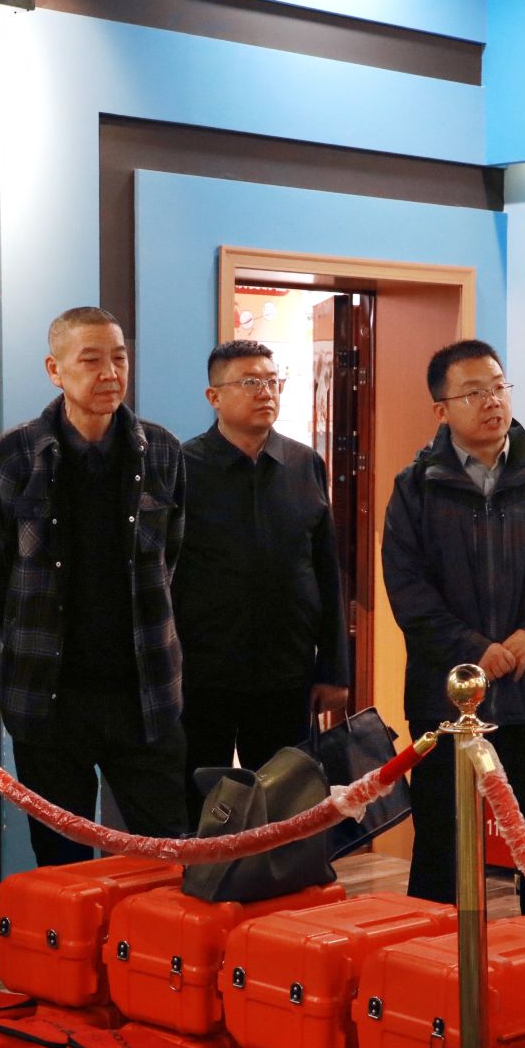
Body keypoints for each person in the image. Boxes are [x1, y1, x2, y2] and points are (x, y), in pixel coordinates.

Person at [383, 339, 525, 915]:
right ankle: (431, 960)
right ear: (441, 409)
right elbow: (409, 595)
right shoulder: (415, 488)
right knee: (441, 850)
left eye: (499, 387)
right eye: (473, 392)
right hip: (445, 702)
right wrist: (476, 650)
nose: (492, 402)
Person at [0, 306, 188, 866]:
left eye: (119, 358)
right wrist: (32, 631)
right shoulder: (14, 455)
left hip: (143, 691)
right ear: (55, 370)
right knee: (60, 864)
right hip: (49, 696)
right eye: (91, 360)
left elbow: (171, 557)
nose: (110, 373)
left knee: (166, 853)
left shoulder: (163, 451)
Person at [174, 340, 350, 821]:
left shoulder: (303, 463)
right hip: (203, 674)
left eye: (273, 381)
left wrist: (334, 668)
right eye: (250, 382)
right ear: (214, 397)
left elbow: (326, 571)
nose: (265, 392)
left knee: (285, 807)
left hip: (286, 672)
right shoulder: (182, 468)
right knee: (199, 805)